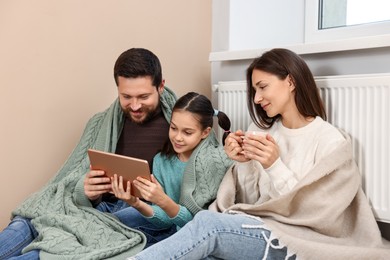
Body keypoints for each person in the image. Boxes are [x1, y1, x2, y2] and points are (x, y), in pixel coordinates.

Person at [128, 48, 390, 260]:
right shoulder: (262, 132)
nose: (256, 98)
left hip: (297, 238)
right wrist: (242, 164)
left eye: (263, 87)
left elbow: (319, 215)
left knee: (208, 225)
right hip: (258, 225)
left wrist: (274, 164)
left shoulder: (329, 141)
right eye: (254, 90)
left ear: (290, 81)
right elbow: (252, 201)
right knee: (202, 248)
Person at [0, 48, 177, 259]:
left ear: (161, 86)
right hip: (87, 206)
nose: (135, 105)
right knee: (23, 225)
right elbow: (70, 178)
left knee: (52, 248)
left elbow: (191, 185)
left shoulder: (182, 126)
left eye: (144, 96)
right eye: (126, 96)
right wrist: (86, 191)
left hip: (124, 213)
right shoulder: (100, 123)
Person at [111, 92, 233, 248]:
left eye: (187, 132)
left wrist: (163, 199)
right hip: (169, 227)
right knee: (111, 221)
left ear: (205, 132)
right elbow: (166, 220)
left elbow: (196, 223)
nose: (177, 137)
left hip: (196, 235)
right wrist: (135, 202)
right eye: (174, 128)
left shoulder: (214, 162)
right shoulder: (161, 161)